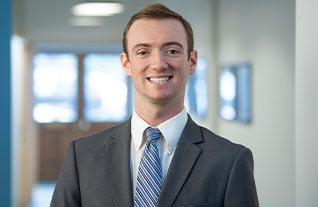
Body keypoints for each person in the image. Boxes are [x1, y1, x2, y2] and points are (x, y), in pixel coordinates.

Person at [50, 3, 259, 207]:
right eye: (143, 52)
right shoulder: (83, 156)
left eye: (172, 51)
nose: (159, 64)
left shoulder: (229, 161)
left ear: (192, 62)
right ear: (126, 63)